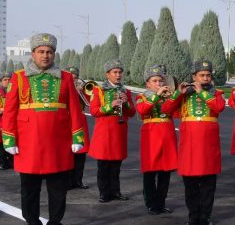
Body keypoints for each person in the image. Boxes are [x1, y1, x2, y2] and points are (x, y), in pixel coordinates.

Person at [0, 33, 86, 225]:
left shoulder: (65, 77)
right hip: (29, 145)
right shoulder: (19, 77)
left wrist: (77, 137)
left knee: (58, 190)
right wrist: (9, 138)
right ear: (33, 53)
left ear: (54, 54)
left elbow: (75, 109)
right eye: (41, 52)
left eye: (49, 52)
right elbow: (10, 111)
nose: (45, 56)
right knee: (29, 189)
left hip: (58, 143)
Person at [178, 60, 226, 225]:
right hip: (190, 144)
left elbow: (219, 107)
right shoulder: (185, 94)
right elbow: (167, 109)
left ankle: (205, 217)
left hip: (209, 144)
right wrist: (178, 93)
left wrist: (203, 93)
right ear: (194, 76)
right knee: (190, 184)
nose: (205, 78)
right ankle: (193, 217)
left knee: (208, 184)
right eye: (201, 75)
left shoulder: (216, 93)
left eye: (208, 75)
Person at [89, 59, 136, 203]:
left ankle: (116, 192)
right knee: (103, 166)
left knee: (116, 165)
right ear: (107, 74)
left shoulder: (125, 91)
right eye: (115, 72)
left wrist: (126, 102)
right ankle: (104, 193)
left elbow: (132, 113)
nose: (118, 75)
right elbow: (94, 111)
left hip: (119, 133)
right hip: (104, 133)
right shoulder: (98, 90)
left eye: (120, 72)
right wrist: (111, 105)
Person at [136, 65, 181, 214]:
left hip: (167, 137)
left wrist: (175, 96)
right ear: (147, 84)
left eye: (160, 80)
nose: (158, 84)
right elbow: (142, 110)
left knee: (165, 173)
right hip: (151, 137)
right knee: (150, 173)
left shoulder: (166, 97)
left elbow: (175, 113)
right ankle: (151, 204)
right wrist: (156, 96)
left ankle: (161, 203)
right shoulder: (141, 97)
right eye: (154, 81)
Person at [66, 66, 91, 189]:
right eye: (71, 77)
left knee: (81, 154)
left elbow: (90, 101)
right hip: (67, 121)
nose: (73, 79)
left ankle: (78, 181)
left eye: (75, 77)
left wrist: (81, 90)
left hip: (80, 121)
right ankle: (68, 181)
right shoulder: (62, 88)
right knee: (68, 153)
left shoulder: (81, 89)